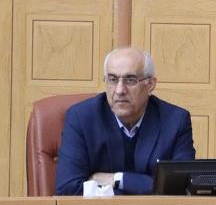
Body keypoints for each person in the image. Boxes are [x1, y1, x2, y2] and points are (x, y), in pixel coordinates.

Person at [55, 47, 195, 195]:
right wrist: (144, 188)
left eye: (130, 80)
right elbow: (67, 189)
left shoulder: (175, 120)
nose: (120, 90)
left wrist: (118, 179)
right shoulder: (81, 118)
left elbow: (182, 186)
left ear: (150, 85)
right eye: (112, 79)